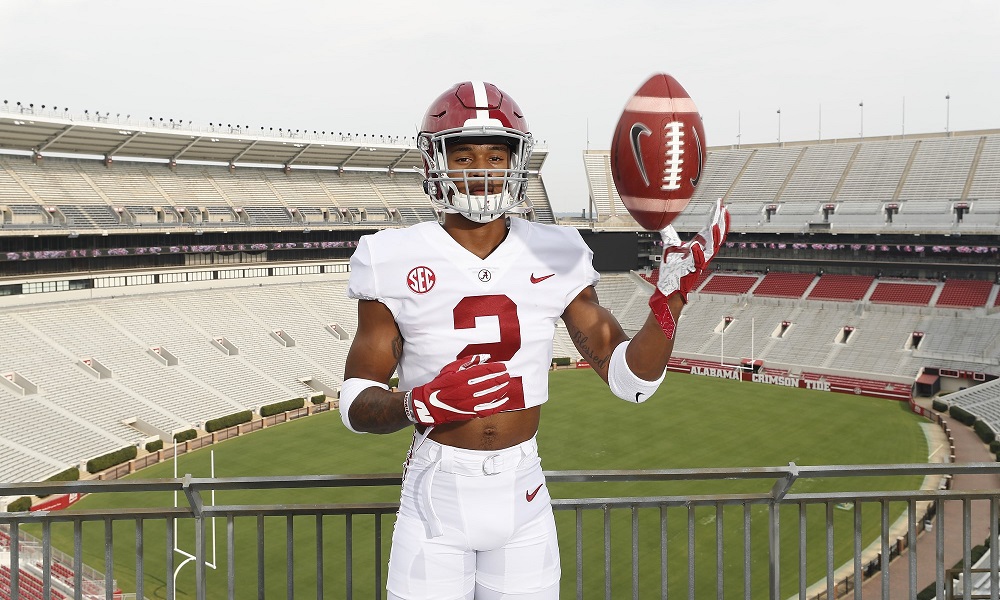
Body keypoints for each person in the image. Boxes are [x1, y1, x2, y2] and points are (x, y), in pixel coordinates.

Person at [340, 80, 729, 600]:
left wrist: (670, 304)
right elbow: (354, 402)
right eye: (465, 155)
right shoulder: (390, 256)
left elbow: (631, 381)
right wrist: (418, 404)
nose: (481, 170)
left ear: (516, 162)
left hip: (522, 490)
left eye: (496, 155)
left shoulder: (558, 250)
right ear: (436, 163)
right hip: (437, 489)